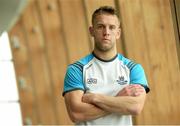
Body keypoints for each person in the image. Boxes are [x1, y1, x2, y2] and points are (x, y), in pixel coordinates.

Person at [62, 6, 150, 125]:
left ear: (118, 33)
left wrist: (95, 98)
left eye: (112, 27)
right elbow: (77, 114)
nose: (106, 32)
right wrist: (120, 101)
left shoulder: (133, 69)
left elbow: (135, 107)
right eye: (100, 27)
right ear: (91, 31)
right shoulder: (76, 69)